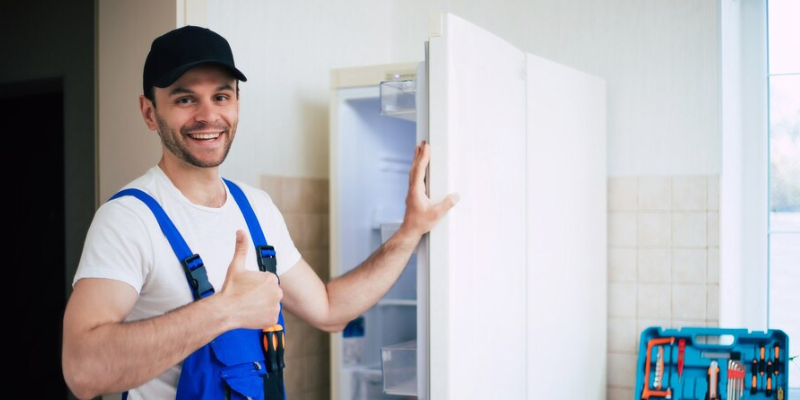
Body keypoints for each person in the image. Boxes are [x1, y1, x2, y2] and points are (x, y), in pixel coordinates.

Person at [62, 25, 458, 400]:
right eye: (185, 99)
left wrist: (410, 231)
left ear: (236, 103)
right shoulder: (128, 219)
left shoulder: (256, 208)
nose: (208, 115)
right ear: (149, 112)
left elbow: (329, 309)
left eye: (221, 96)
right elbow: (83, 372)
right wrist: (223, 311)